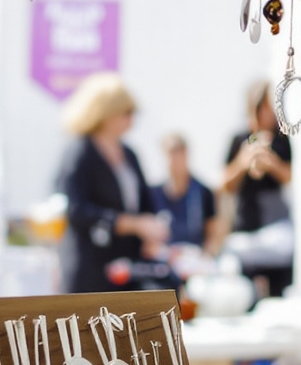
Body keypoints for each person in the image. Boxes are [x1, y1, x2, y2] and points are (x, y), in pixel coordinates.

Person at [55, 74, 169, 294]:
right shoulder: (79, 153)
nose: (131, 120)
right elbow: (77, 210)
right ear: (106, 113)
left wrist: (152, 229)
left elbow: (146, 200)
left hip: (127, 265)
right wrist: (132, 224)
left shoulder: (129, 154)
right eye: (127, 113)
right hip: (90, 266)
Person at [224, 81, 297, 298]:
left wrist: (270, 162)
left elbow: (290, 177)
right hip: (246, 226)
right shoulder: (240, 139)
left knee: (277, 292)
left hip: (275, 225)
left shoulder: (282, 139)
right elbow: (225, 184)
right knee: (243, 290)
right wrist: (243, 161)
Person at [151, 132, 219, 259]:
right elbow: (148, 241)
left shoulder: (203, 192)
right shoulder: (152, 194)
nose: (176, 160)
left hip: (196, 259)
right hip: (164, 260)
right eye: (171, 154)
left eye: (180, 153)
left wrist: (204, 258)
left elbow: (212, 236)